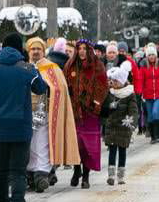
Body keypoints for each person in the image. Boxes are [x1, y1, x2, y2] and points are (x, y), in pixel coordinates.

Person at [0, 33, 48, 202]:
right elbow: (40, 88)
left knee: (0, 171)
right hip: (21, 127)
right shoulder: (28, 69)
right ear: (21, 49)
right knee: (18, 172)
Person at [25, 37, 80, 192]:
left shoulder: (52, 68)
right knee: (28, 145)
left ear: (43, 51)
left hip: (45, 113)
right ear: (28, 51)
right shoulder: (24, 67)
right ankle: (29, 174)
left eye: (38, 49)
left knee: (42, 144)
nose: (35, 52)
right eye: (32, 49)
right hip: (26, 114)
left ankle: (41, 174)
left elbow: (59, 88)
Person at [64, 40, 109, 188]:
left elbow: (103, 87)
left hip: (90, 112)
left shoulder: (98, 66)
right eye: (79, 48)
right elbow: (65, 85)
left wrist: (94, 103)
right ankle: (77, 170)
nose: (81, 51)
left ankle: (86, 176)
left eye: (84, 48)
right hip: (74, 111)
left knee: (88, 145)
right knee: (76, 143)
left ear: (89, 50)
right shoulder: (70, 65)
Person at [103, 66, 138, 185]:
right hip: (112, 126)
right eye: (112, 81)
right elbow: (104, 108)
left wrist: (131, 122)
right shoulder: (110, 93)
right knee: (112, 151)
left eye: (116, 81)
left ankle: (121, 176)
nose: (113, 83)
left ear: (122, 81)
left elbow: (133, 110)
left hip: (123, 128)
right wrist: (108, 107)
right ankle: (111, 175)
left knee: (122, 151)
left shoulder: (129, 94)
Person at [136, 44, 159, 142]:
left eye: (153, 55)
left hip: (158, 95)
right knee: (149, 116)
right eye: (149, 55)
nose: (151, 57)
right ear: (147, 57)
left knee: (155, 112)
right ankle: (153, 137)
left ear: (156, 55)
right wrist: (139, 92)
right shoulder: (144, 67)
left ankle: (157, 134)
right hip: (147, 95)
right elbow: (140, 80)